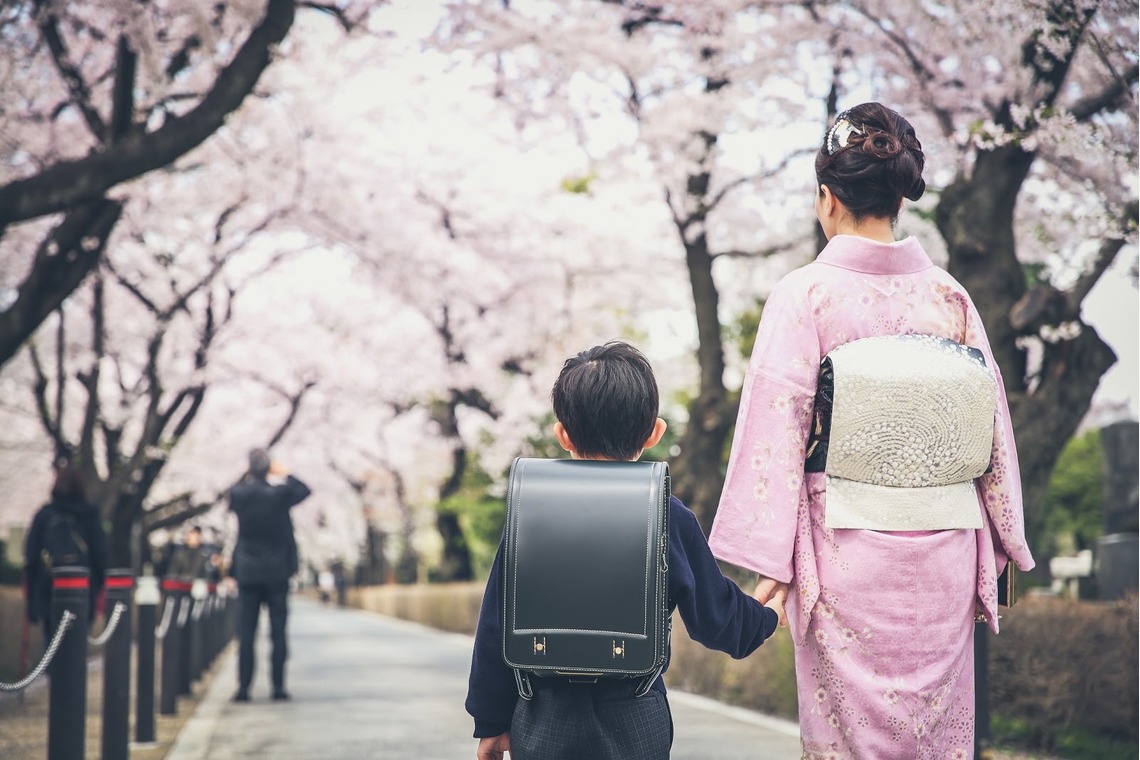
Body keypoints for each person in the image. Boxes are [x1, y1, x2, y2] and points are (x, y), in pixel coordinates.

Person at [707, 102, 1035, 758]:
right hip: (944, 552)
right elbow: (992, 435)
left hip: (845, 555)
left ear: (827, 198)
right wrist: (1003, 542)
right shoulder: (950, 297)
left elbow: (778, 429)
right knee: (935, 736)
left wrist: (771, 560)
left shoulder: (806, 296)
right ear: (897, 201)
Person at [466, 340, 781, 760]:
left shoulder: (529, 508)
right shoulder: (668, 515)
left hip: (542, 714)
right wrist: (766, 615)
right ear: (655, 431)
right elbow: (719, 620)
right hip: (635, 714)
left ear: (562, 434)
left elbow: (496, 622)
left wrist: (491, 721)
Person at [228, 448, 311, 702]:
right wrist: (285, 473)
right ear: (269, 467)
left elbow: (230, 493)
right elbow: (305, 490)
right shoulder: (280, 494)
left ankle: (243, 689)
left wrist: (251, 473)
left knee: (247, 633)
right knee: (278, 632)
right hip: (277, 572)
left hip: (248, 571)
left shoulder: (240, 494)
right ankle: (278, 687)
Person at [23, 458, 108, 644]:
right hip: (82, 589)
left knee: (52, 646)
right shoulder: (91, 514)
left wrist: (32, 602)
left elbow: (31, 557)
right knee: (77, 649)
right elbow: (101, 556)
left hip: (50, 589)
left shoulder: (44, 515)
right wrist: (96, 587)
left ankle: (55, 674)